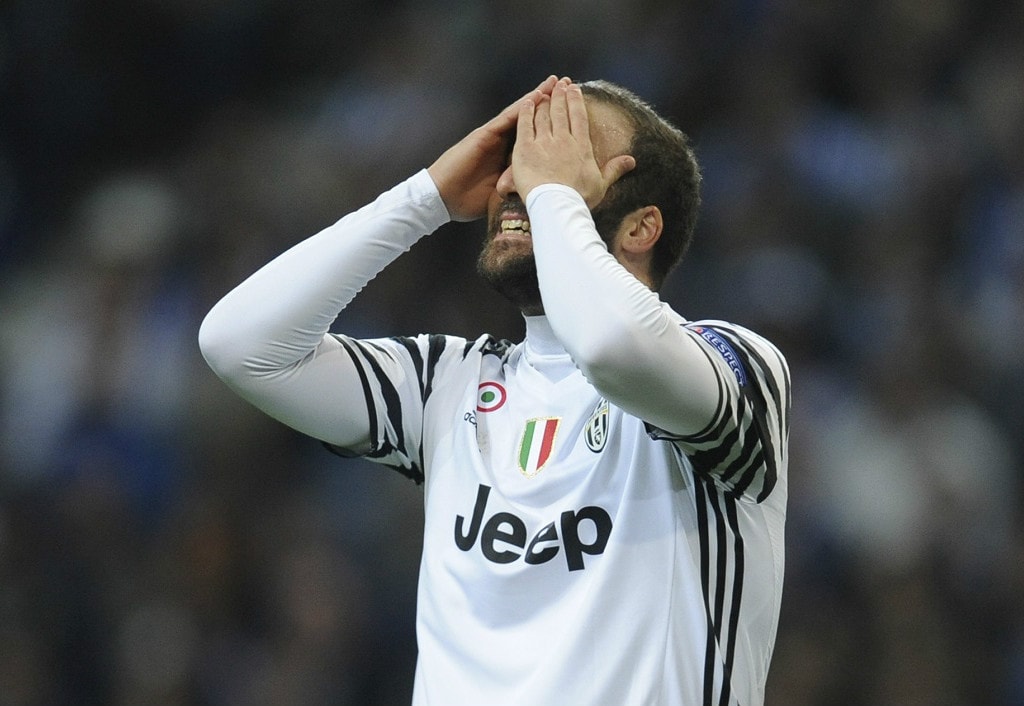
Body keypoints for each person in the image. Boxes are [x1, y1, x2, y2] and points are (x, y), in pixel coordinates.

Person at [199, 75, 790, 706]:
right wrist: (425, 197)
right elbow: (241, 346)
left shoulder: (736, 368)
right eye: (518, 153)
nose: (517, 178)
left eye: (563, 148)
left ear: (642, 228)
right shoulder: (448, 383)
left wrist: (551, 195)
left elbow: (612, 348)